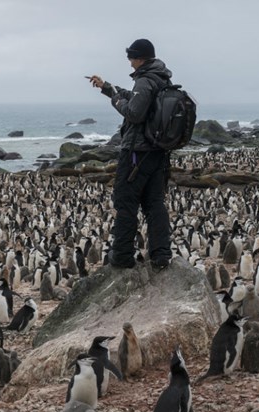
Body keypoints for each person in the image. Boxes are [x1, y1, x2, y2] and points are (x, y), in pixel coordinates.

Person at [88, 38, 172, 269]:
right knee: (154, 203)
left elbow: (134, 112)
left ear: (139, 58)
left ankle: (123, 256)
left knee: (125, 202)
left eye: (130, 57)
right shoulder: (161, 78)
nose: (129, 61)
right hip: (157, 152)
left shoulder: (145, 81)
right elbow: (137, 99)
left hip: (137, 152)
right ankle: (161, 255)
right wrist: (107, 87)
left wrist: (115, 100)